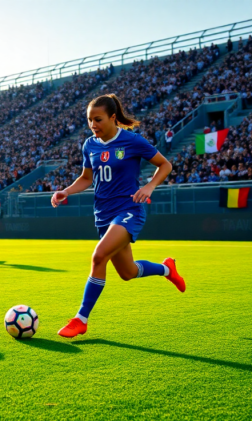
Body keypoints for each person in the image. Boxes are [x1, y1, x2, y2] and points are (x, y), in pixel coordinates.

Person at [50, 94, 186, 338]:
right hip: (103, 215)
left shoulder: (132, 141)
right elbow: (86, 179)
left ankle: (80, 319)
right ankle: (167, 269)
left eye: (98, 119)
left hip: (129, 211)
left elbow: (164, 165)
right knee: (128, 273)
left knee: (98, 256)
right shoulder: (89, 145)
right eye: (90, 120)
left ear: (113, 118)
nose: (93, 125)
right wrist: (65, 191)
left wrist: (148, 187)